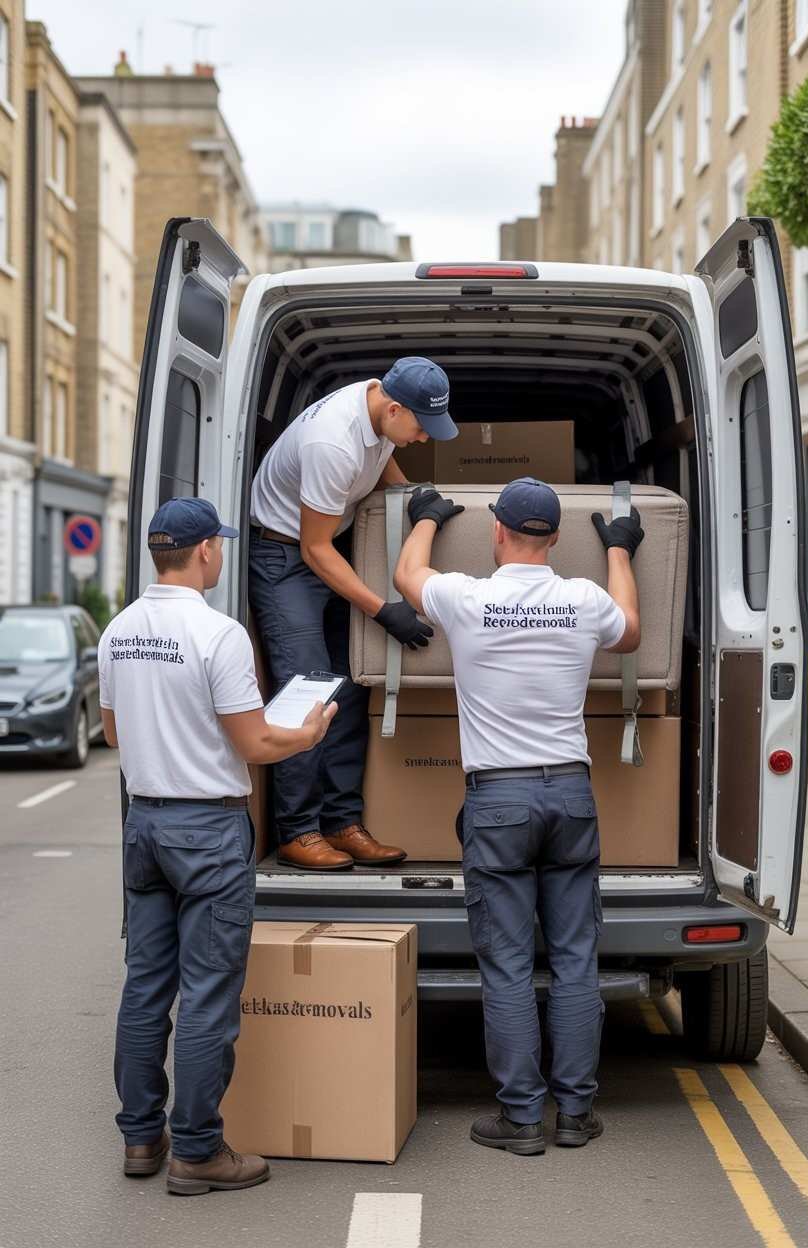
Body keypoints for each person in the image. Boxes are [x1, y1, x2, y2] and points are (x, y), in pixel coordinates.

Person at [394, 478, 643, 1155]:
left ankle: (522, 1118)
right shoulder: (582, 599)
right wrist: (619, 550)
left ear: (498, 532)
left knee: (505, 965)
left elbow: (406, 574)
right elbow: (631, 631)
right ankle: (574, 1113)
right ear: (556, 539)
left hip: (498, 800)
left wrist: (424, 518)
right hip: (569, 794)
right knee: (574, 957)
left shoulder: (467, 597)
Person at [99, 497, 337, 1196]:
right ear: (205, 551)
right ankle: (198, 1151)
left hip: (145, 824)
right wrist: (310, 732)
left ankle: (141, 1137)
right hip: (207, 830)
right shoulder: (219, 634)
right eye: (221, 546)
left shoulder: (119, 630)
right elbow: (258, 742)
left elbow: (113, 735)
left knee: (146, 988)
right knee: (207, 995)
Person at [248, 355, 458, 871]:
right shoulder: (332, 442)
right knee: (307, 690)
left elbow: (383, 453)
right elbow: (314, 549)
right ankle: (299, 832)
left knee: (348, 685)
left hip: (333, 548)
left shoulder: (378, 411)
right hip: (287, 557)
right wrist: (384, 610)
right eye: (421, 427)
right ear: (391, 408)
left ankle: (342, 823)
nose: (425, 438)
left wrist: (410, 498)